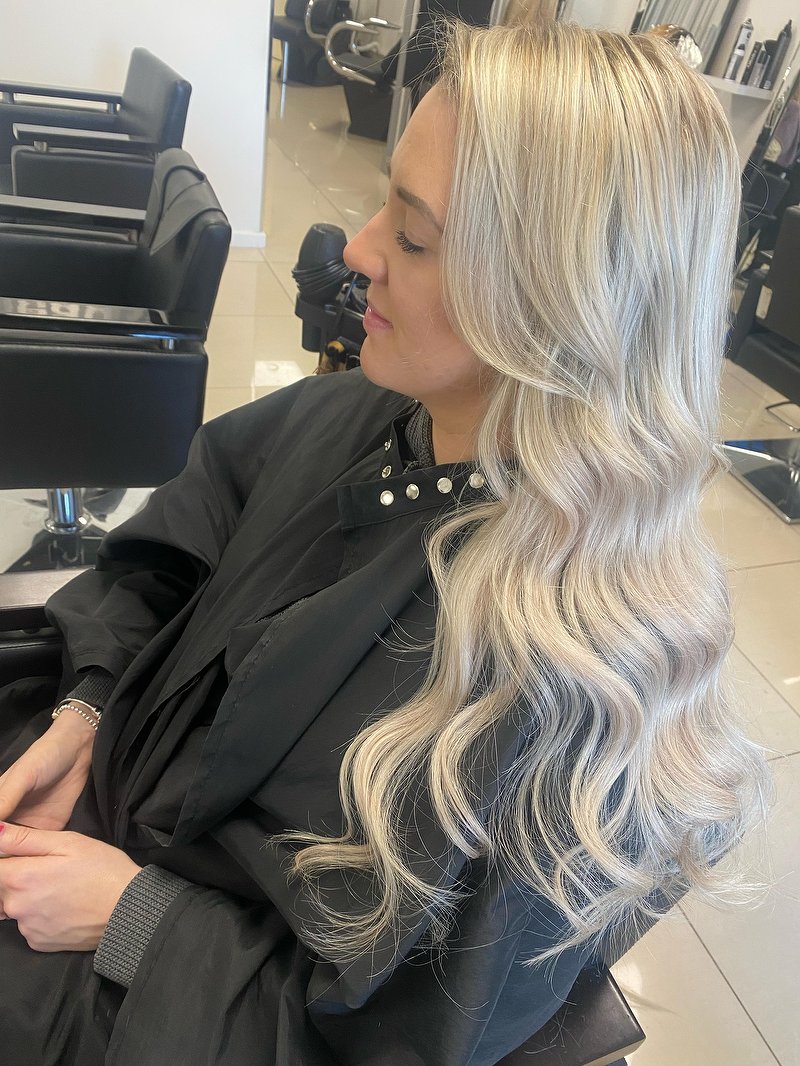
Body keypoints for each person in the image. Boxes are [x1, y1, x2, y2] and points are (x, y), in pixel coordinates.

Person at [0, 20, 769, 1066]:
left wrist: (136, 919)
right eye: (384, 205)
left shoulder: (564, 693)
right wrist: (88, 708)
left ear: (553, 301)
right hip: (103, 795)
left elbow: (391, 1042)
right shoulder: (375, 412)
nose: (356, 251)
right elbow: (191, 527)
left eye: (411, 236)